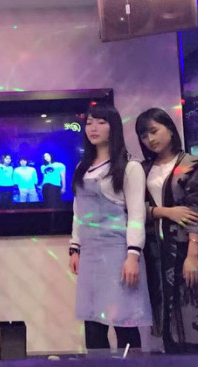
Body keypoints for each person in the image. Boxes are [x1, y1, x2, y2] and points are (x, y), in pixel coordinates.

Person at [69, 103, 152, 350]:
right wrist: (75, 248)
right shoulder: (82, 168)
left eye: (101, 122)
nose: (93, 128)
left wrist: (133, 255)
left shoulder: (130, 167)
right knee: (93, 322)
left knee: (124, 319)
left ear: (113, 127)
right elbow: (78, 212)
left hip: (118, 253)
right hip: (90, 255)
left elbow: (137, 214)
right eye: (89, 123)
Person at [135, 108, 198, 353]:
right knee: (164, 317)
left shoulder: (191, 164)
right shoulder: (143, 169)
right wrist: (165, 212)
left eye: (154, 131)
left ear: (169, 129)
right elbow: (133, 209)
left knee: (192, 312)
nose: (150, 139)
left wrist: (192, 255)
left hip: (184, 248)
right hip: (155, 253)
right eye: (144, 135)